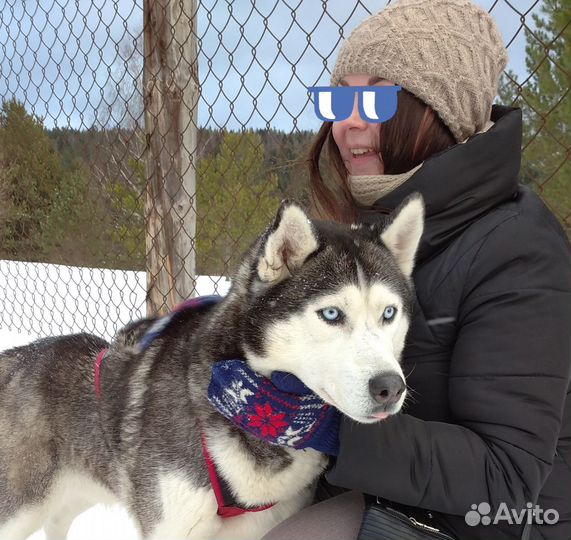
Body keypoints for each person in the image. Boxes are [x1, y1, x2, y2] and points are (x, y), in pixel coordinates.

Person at [209, 0, 571, 538]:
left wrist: (327, 425)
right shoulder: (375, 221)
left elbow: (505, 479)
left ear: (440, 111)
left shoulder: (518, 252)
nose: (347, 122)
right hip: (384, 492)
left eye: (375, 98)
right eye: (339, 97)